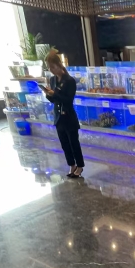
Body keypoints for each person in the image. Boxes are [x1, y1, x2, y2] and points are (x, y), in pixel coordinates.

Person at [40, 49, 85, 177]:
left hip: (69, 117)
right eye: (49, 68)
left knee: (74, 143)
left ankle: (80, 166)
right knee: (65, 144)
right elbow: (54, 100)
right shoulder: (53, 80)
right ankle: (71, 164)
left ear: (59, 65)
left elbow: (68, 100)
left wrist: (54, 94)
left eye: (53, 67)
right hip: (58, 117)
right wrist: (48, 94)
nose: (51, 70)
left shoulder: (70, 81)